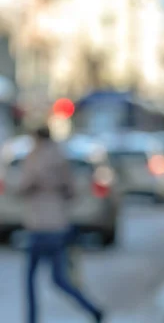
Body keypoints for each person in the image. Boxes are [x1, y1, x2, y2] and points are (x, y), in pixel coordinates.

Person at [17, 126, 104, 323]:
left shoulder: (33, 157)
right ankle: (92, 309)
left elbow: (23, 186)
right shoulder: (61, 157)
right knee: (60, 279)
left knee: (30, 280)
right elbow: (72, 191)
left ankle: (31, 319)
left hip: (37, 226)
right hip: (58, 226)